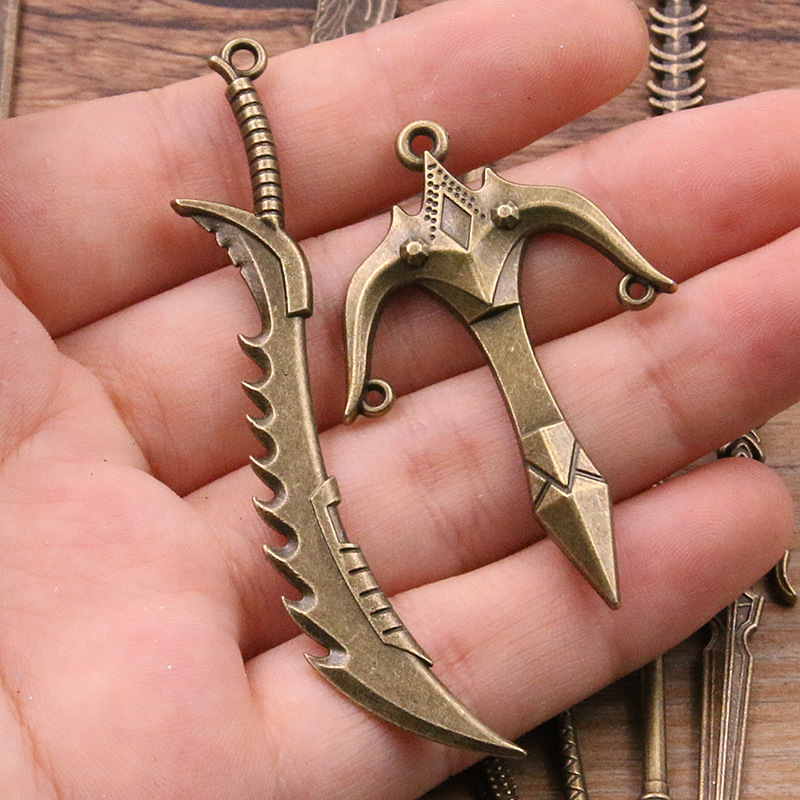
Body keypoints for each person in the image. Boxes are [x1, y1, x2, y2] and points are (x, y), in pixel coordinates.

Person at [0, 0, 794, 796]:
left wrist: (638, 273)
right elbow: (370, 311)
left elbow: (573, 223)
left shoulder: (477, 224)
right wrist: (358, 381)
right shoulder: (398, 256)